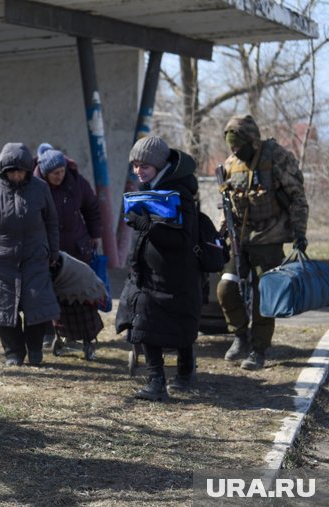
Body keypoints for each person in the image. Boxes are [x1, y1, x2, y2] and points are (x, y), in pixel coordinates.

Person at [216, 114, 309, 370]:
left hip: (270, 237)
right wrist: (220, 233)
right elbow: (226, 205)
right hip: (239, 240)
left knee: (264, 295)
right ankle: (239, 336)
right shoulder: (231, 163)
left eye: (239, 145)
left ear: (252, 141)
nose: (235, 150)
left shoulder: (276, 157)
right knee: (225, 289)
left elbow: (297, 197)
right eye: (231, 146)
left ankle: (259, 349)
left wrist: (299, 233)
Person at [115, 136, 202, 401]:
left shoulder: (181, 194)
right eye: (135, 166)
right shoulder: (148, 188)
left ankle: (185, 372)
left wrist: (144, 225)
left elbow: (181, 240)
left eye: (144, 166)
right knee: (144, 322)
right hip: (147, 273)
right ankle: (156, 381)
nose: (138, 171)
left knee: (180, 328)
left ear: (160, 166)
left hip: (176, 275)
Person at [0, 142, 60, 367]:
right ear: (4, 171)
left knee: (36, 305)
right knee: (4, 307)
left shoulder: (40, 188)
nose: (16, 175)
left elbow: (51, 220)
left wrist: (52, 250)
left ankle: (35, 350)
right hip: (0, 259)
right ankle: (13, 352)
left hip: (35, 255)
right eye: (12, 171)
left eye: (20, 171)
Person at [34, 147, 103, 360]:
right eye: (55, 173)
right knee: (49, 292)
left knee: (79, 293)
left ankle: (83, 334)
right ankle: (52, 332)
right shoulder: (36, 187)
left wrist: (95, 234)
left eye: (62, 171)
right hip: (48, 249)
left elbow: (92, 207)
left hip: (77, 247)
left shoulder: (77, 182)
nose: (60, 176)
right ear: (45, 173)